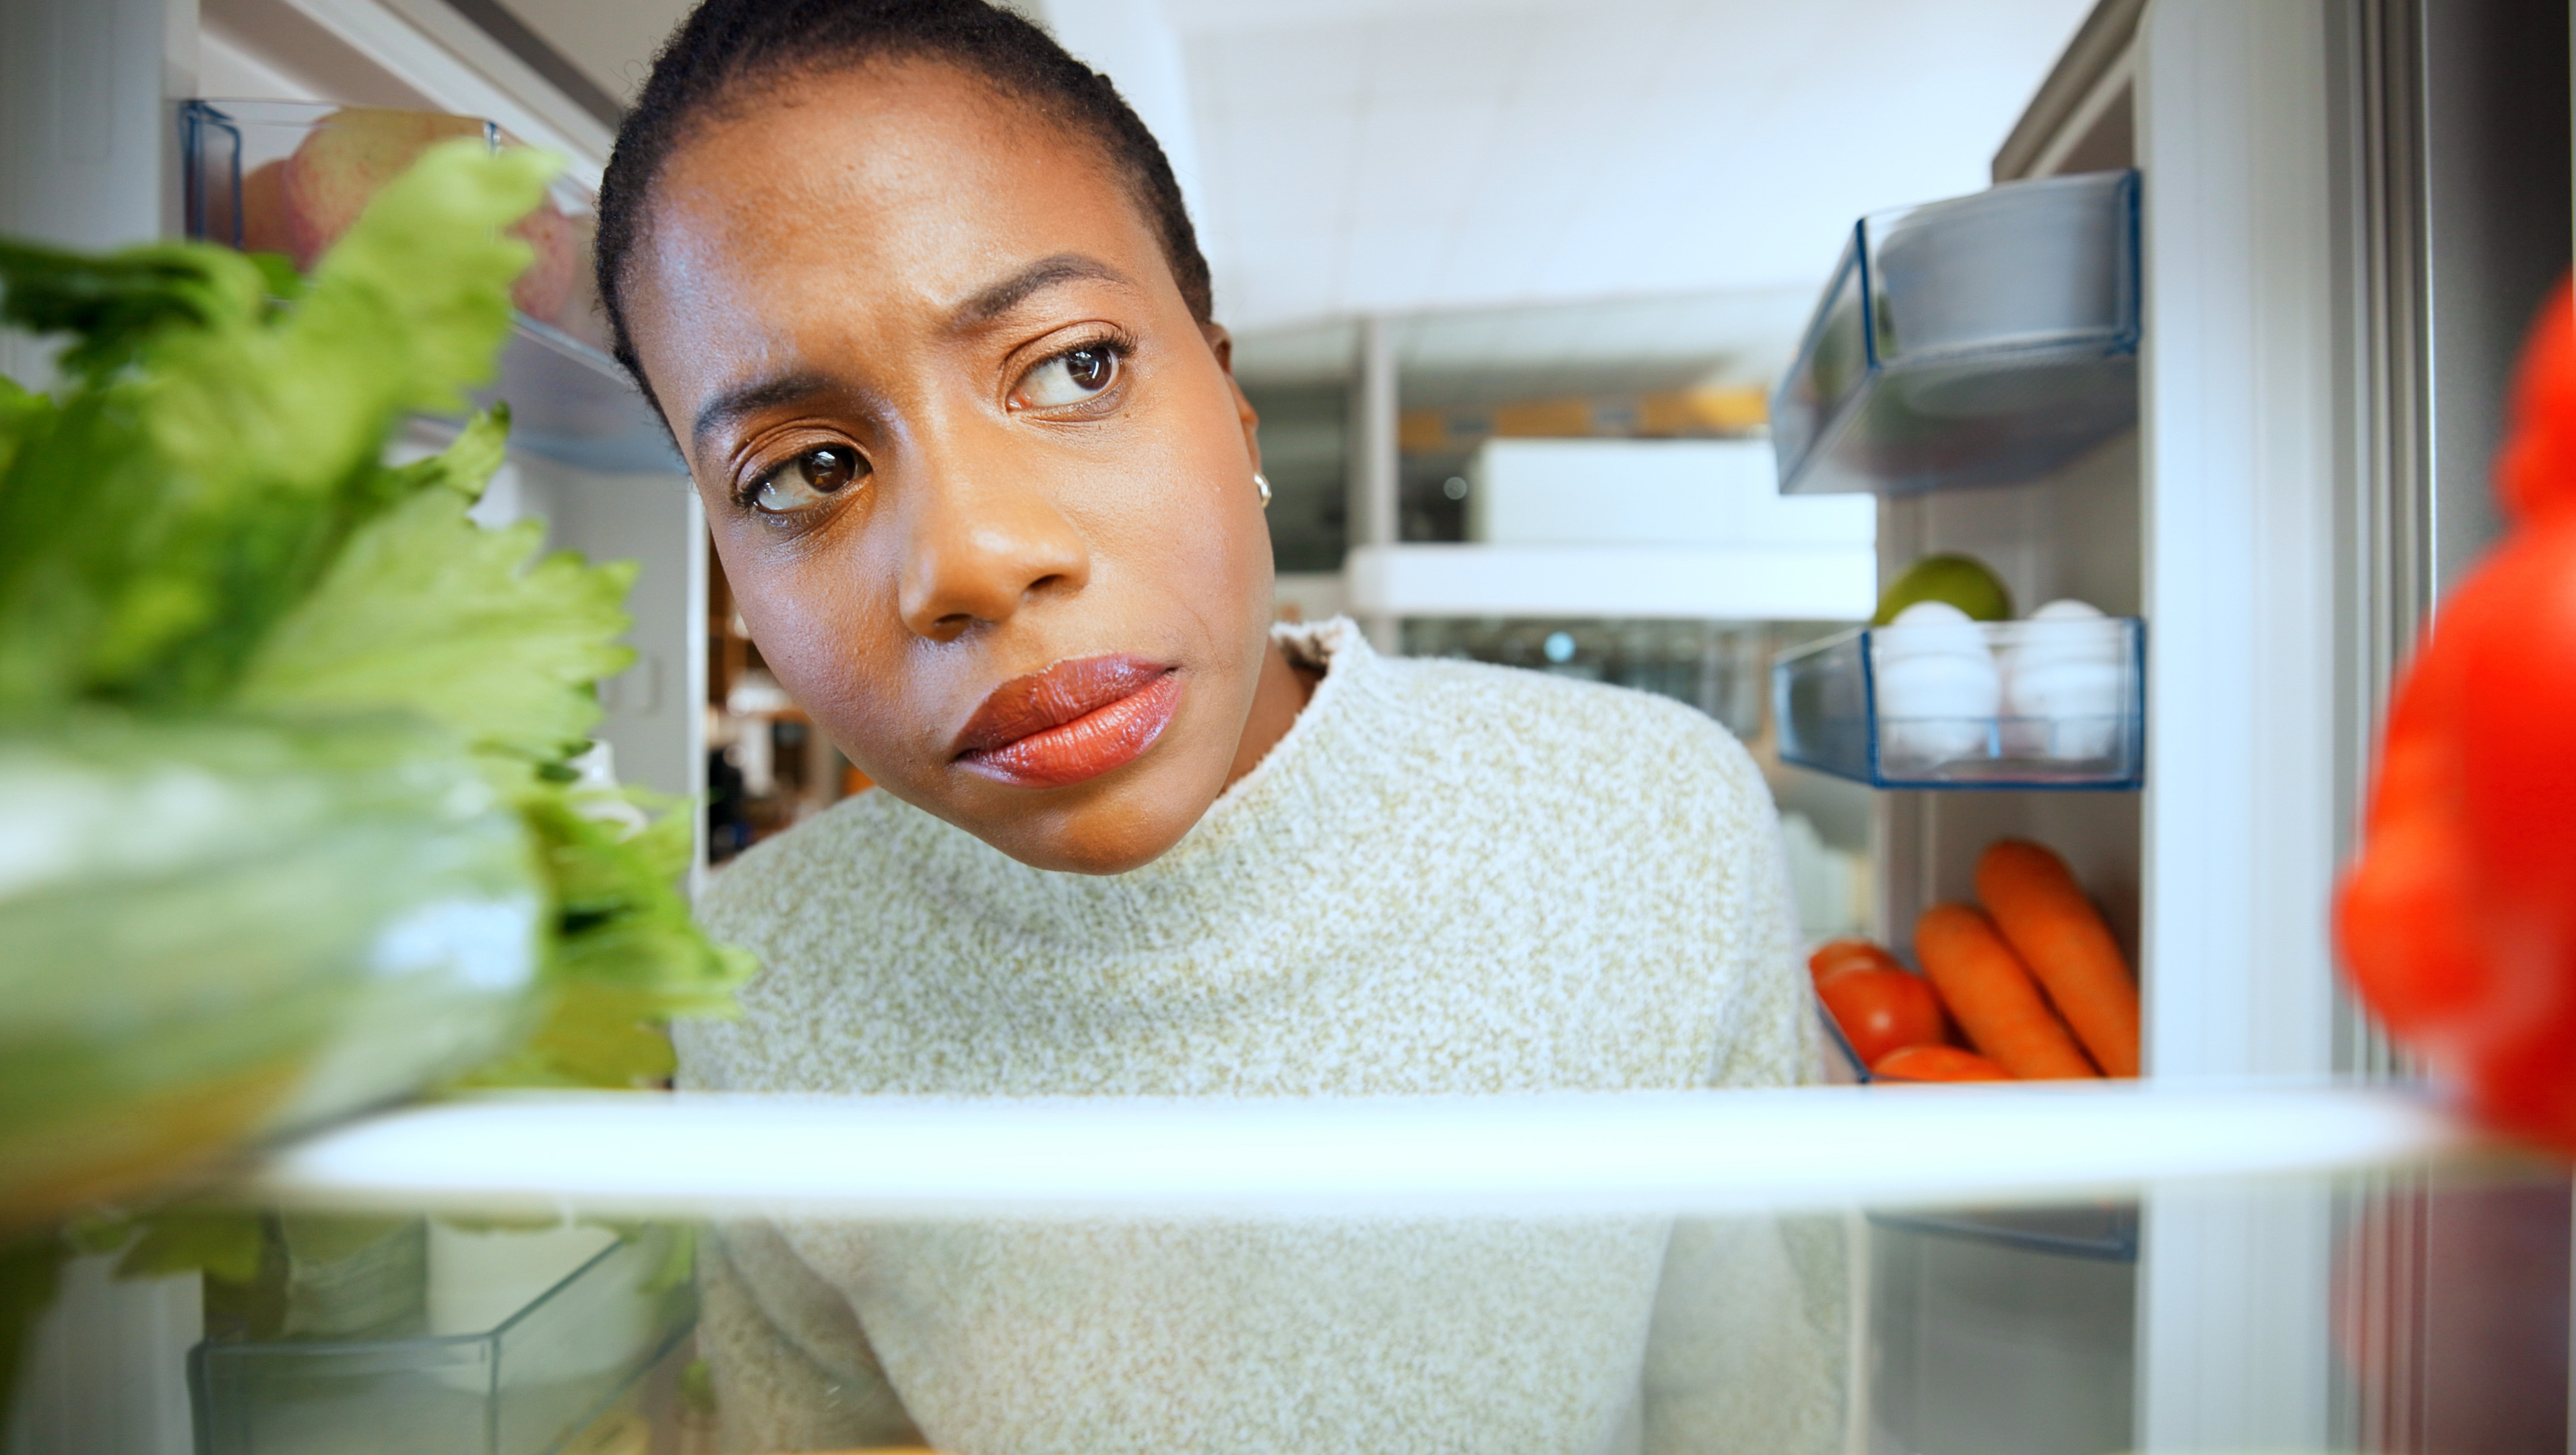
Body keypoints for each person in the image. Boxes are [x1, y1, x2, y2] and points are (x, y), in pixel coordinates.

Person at [593, 2, 1842, 1450]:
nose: (978, 560)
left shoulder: (1645, 827)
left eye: (1073, 367)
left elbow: (1766, 1419)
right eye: (805, 470)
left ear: (1236, 411)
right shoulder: (762, 978)